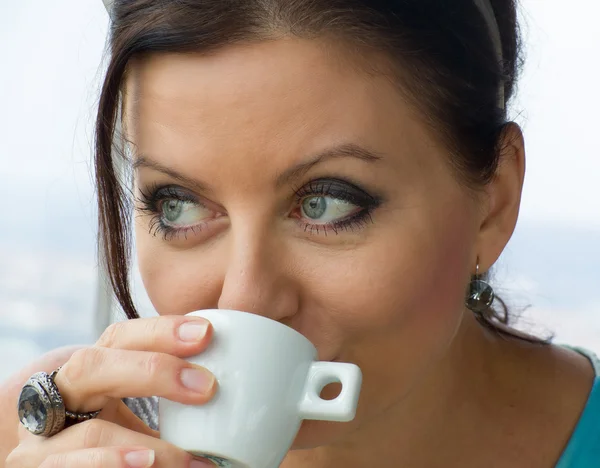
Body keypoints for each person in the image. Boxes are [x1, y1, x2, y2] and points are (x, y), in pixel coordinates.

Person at [2, 0, 599, 466]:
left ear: (493, 201)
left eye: (325, 203)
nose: (243, 301)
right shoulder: (58, 430)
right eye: (178, 205)